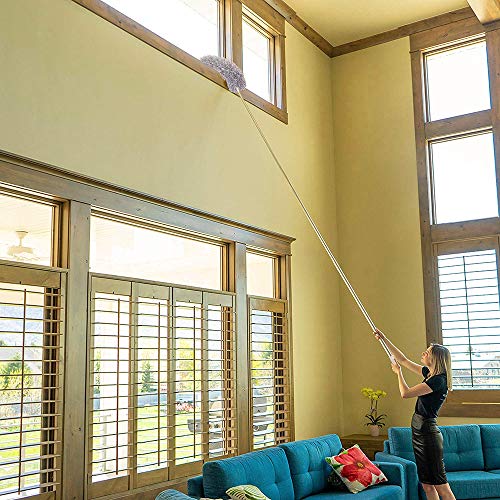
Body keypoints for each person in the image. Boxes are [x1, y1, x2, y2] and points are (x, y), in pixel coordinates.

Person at [374, 329, 456, 500]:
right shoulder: (430, 374)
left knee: (441, 485)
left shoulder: (438, 380)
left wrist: (398, 373)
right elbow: (403, 360)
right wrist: (384, 338)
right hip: (419, 433)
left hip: (428, 436)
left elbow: (405, 393)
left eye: (427, 352)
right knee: (427, 485)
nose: (423, 353)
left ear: (435, 358)